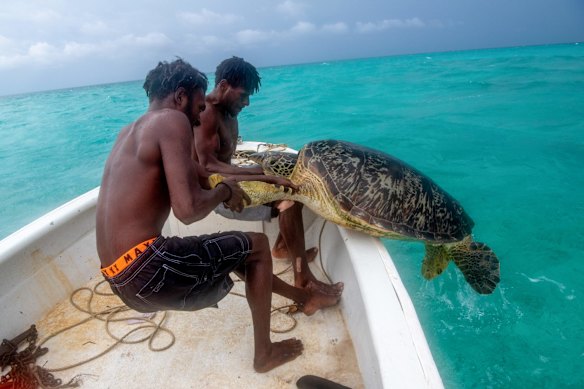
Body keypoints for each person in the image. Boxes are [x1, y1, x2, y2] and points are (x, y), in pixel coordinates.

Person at [96, 58, 340, 373]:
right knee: (256, 247)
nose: (199, 117)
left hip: (120, 278)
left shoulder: (128, 132)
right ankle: (264, 354)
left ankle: (304, 298)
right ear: (180, 97)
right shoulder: (172, 120)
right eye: (198, 108)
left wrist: (269, 178)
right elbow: (187, 211)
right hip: (150, 267)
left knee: (239, 251)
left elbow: (197, 170)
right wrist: (225, 192)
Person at [193, 57, 343, 296]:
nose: (247, 102)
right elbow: (209, 166)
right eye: (243, 95)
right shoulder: (207, 115)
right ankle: (303, 279)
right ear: (223, 86)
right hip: (219, 193)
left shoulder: (228, 111)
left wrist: (263, 174)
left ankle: (284, 248)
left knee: (295, 184)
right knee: (288, 200)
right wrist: (261, 175)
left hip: (231, 181)